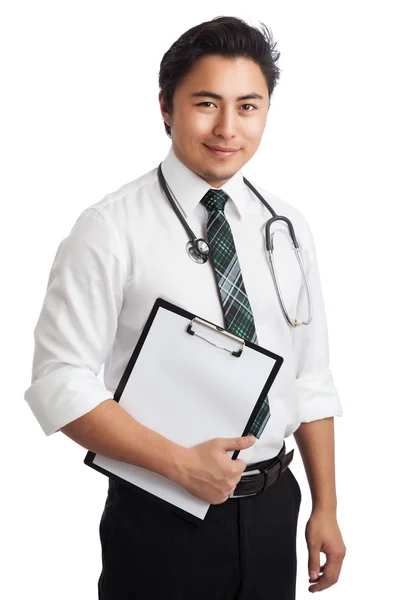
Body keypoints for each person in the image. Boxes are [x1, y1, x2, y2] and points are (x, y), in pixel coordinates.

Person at [24, 15, 346, 599]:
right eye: (206, 103)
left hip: (274, 509)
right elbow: (59, 381)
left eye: (248, 106)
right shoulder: (110, 227)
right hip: (161, 514)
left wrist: (325, 507)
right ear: (166, 107)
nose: (228, 127)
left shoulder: (287, 226)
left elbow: (311, 375)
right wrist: (178, 464)